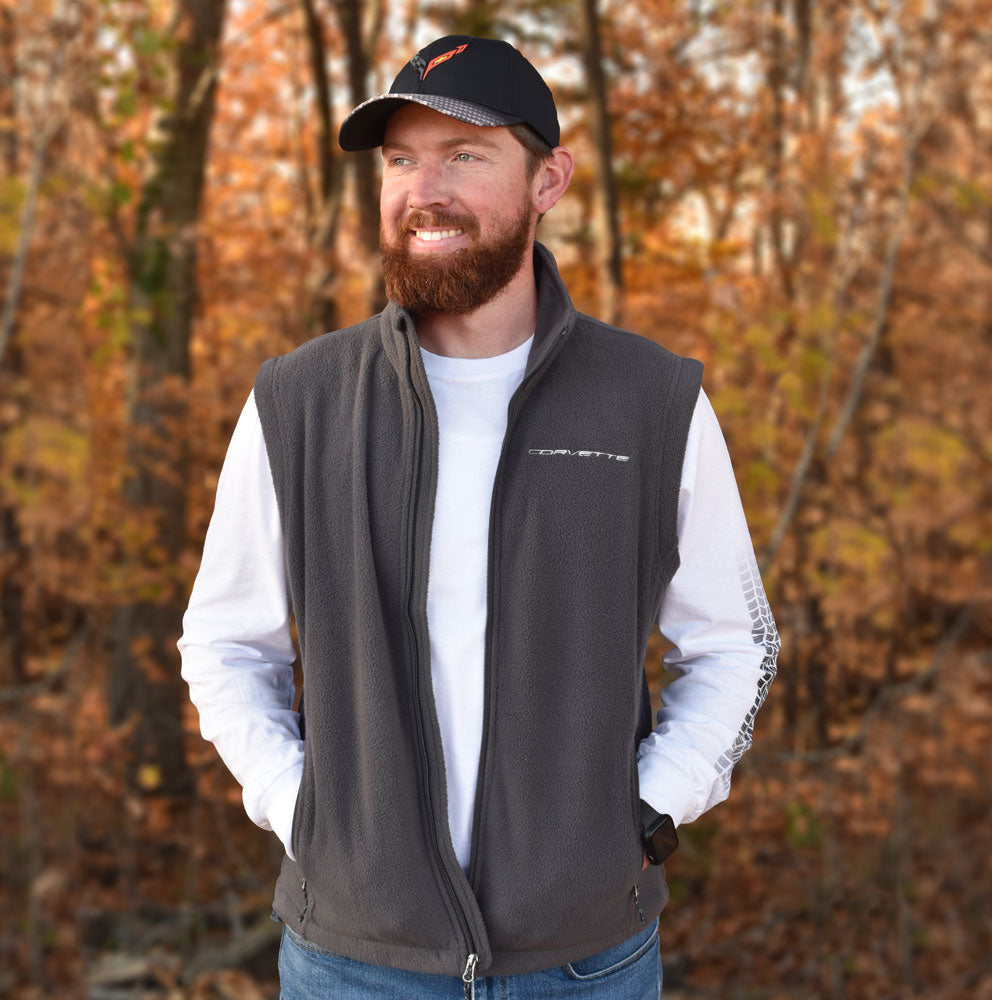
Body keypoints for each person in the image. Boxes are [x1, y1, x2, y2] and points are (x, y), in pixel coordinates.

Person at [179, 34, 779, 1000]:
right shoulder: (299, 403)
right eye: (403, 160)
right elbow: (222, 642)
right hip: (350, 961)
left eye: (466, 155)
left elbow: (735, 643)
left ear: (550, 180)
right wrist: (307, 814)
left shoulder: (651, 401)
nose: (426, 190)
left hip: (585, 961)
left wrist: (647, 810)